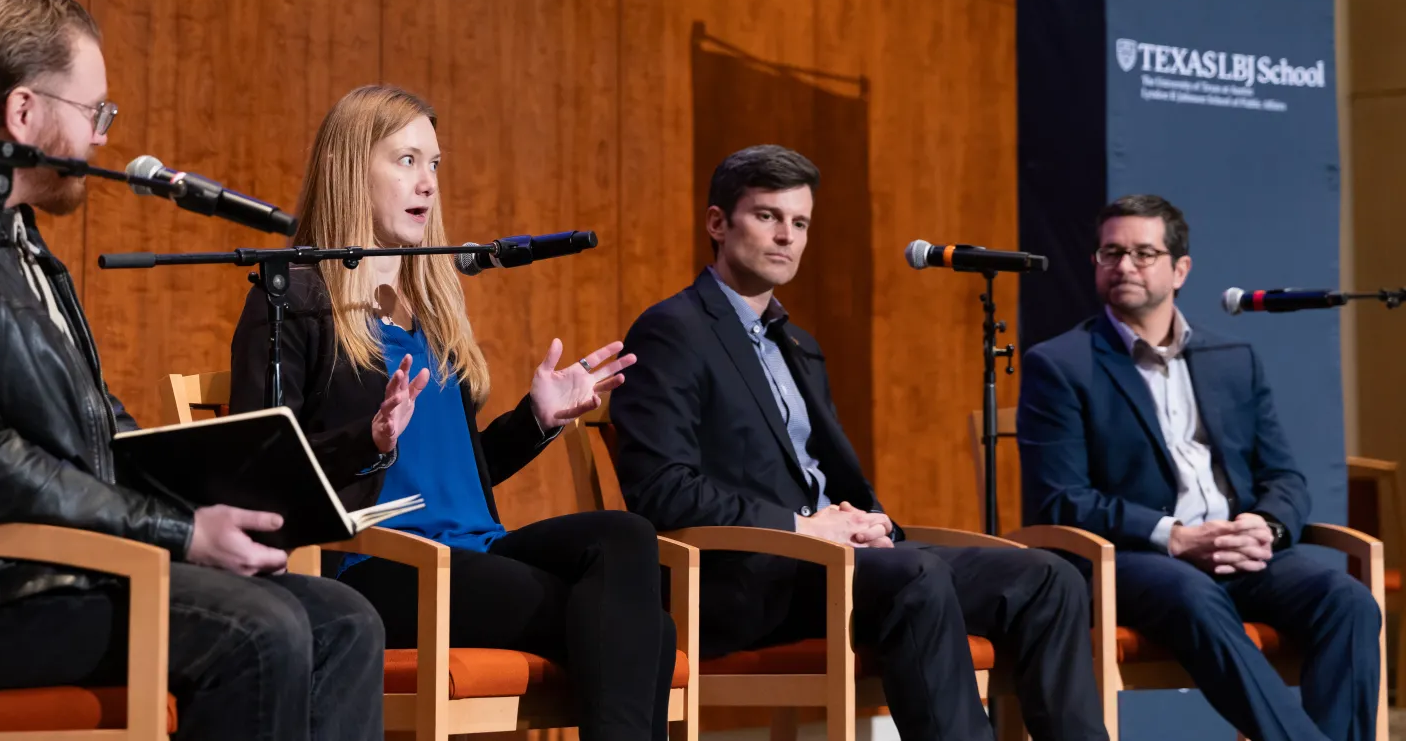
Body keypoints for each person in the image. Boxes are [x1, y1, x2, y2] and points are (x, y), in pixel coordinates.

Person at [0, 0, 384, 741]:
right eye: (95, 112)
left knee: (345, 618)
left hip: (41, 574)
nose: (104, 139)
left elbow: (98, 426)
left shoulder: (13, 235)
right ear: (22, 113)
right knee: (258, 629)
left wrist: (249, 497)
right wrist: (178, 532)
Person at [612, 144, 1109, 741]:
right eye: (767, 216)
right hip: (745, 578)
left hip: (838, 561)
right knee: (916, 575)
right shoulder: (672, 331)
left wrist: (868, 521)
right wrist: (803, 527)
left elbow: (823, 473)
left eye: (799, 223)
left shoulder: (798, 344)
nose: (786, 238)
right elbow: (662, 491)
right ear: (718, 223)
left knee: (1049, 576)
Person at [229, 84, 676, 741]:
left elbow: (456, 478)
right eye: (407, 160)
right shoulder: (295, 297)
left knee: (625, 537)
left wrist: (536, 418)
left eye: (434, 164)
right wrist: (370, 438)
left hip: (474, 551)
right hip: (377, 565)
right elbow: (261, 467)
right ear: (352, 167)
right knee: (643, 629)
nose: (428, 183)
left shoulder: (430, 308)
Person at [1018, 194, 1381, 741]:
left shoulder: (1232, 358)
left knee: (1347, 600)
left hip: (1239, 552)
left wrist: (1268, 527)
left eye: (1143, 253)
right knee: (1193, 595)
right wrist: (1178, 539)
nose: (1124, 266)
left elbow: (1283, 477)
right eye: (1110, 253)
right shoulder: (1061, 365)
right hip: (1136, 560)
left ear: (1180, 268)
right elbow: (1062, 499)